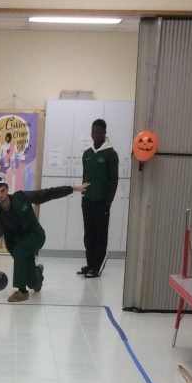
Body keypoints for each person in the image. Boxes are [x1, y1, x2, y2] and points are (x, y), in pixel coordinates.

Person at [0, 174, 88, 303]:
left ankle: (22, 292)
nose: (0, 195)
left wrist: (73, 188)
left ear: (7, 189)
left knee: (20, 251)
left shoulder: (22, 197)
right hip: (17, 243)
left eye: (2, 191)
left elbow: (47, 193)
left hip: (35, 236)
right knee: (33, 283)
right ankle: (38, 274)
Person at [79, 118, 119, 279]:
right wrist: (83, 195)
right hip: (87, 201)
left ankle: (97, 267)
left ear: (104, 133)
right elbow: (85, 176)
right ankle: (90, 264)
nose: (95, 135)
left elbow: (114, 180)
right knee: (88, 234)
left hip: (101, 203)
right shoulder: (87, 154)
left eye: (99, 132)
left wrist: (108, 202)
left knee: (100, 235)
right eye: (93, 132)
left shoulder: (111, 154)